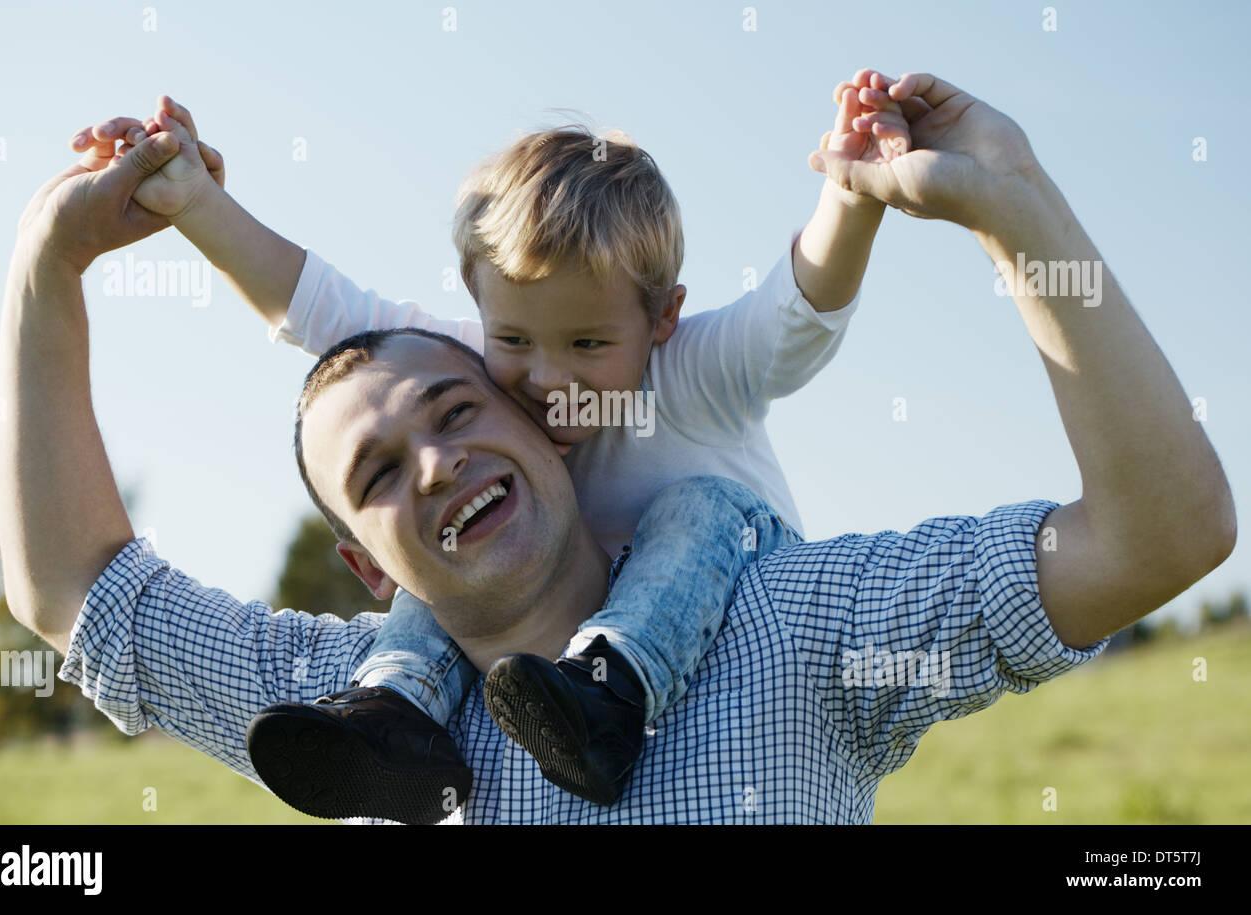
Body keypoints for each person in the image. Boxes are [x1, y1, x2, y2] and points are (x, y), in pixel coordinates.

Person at [0, 72, 1235, 824]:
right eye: (377, 476)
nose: (434, 459)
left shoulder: (793, 627)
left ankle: (612, 691)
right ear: (366, 572)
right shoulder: (347, 727)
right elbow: (72, 591)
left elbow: (1160, 538)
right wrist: (50, 260)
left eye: (457, 411)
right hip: (399, 705)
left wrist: (1008, 204)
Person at [66, 68, 912, 821]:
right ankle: (398, 714)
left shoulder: (697, 371)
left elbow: (795, 313)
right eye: (514, 340)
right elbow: (321, 310)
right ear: (480, 309)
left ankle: (611, 697)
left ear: (661, 317)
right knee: (427, 547)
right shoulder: (470, 370)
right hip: (556, 617)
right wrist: (196, 205)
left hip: (728, 588)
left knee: (691, 506)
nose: (544, 378)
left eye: (586, 345)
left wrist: (851, 197)